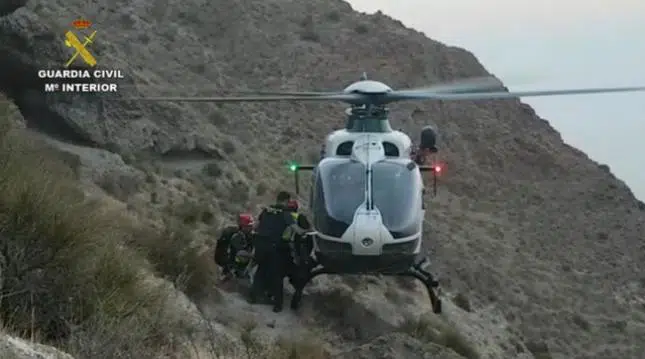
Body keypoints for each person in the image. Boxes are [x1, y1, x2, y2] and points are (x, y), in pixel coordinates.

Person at [250, 191, 306, 312]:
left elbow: (256, 226)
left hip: (260, 245)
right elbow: (297, 230)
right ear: (286, 201)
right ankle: (277, 305)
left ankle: (253, 297)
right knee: (277, 275)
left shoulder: (266, 210)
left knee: (260, 271)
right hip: (274, 247)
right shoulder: (286, 214)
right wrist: (306, 231)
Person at [214, 213, 255, 281]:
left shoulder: (246, 235)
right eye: (249, 226)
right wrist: (252, 256)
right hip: (231, 264)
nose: (251, 228)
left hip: (233, 262)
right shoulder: (237, 236)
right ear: (243, 226)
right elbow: (240, 253)